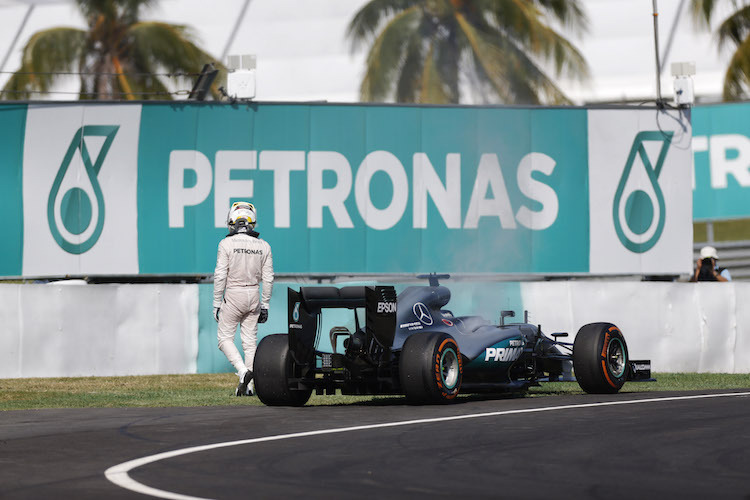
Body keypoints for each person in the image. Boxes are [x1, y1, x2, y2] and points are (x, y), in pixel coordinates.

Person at [214, 201, 274, 396]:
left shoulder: (226, 244)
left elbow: (220, 275)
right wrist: (265, 304)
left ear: (232, 220)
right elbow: (269, 278)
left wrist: (216, 302)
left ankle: (243, 371)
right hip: (254, 295)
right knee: (249, 342)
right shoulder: (264, 245)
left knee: (224, 339)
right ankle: (249, 387)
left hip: (234, 293)